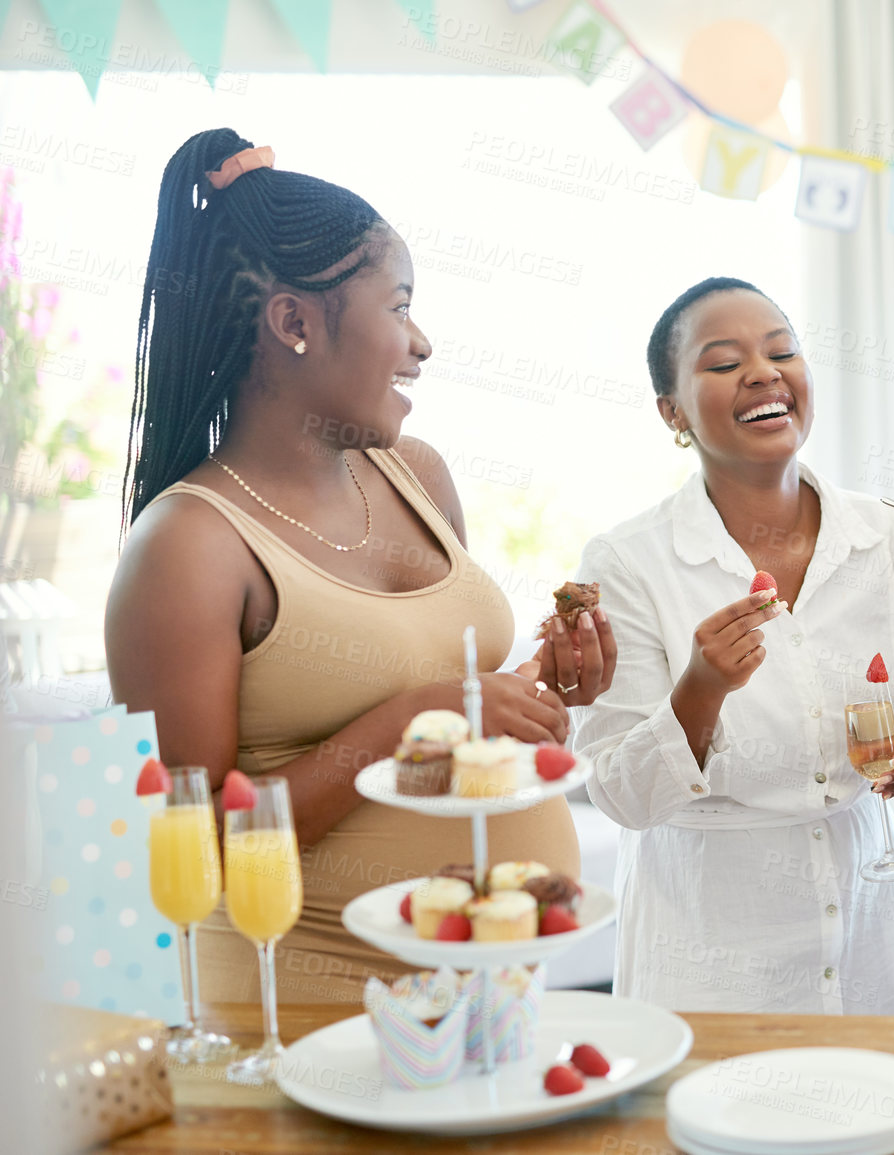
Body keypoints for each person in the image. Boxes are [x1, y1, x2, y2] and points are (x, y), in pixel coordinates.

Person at [105, 129, 616, 1003]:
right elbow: (205, 840)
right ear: (295, 322)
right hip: (310, 1010)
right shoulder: (188, 545)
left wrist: (533, 690)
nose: (421, 343)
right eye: (400, 306)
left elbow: (445, 723)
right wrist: (419, 713)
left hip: (480, 996)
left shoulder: (416, 474)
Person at [572, 277, 894, 1015]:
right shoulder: (626, 563)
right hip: (709, 955)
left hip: (871, 933)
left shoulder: (886, 536)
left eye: (781, 350)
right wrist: (700, 690)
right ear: (672, 411)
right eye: (723, 363)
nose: (762, 371)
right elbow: (620, 794)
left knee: (885, 1121)